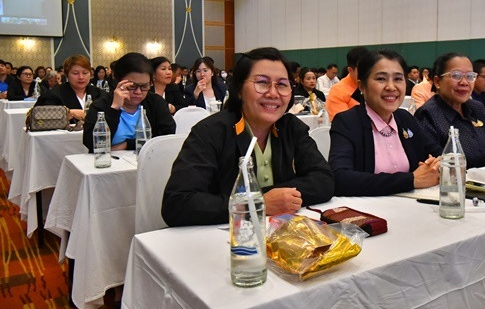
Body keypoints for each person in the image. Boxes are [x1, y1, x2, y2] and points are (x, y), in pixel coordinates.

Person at [162, 47, 334, 226]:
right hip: (227, 237)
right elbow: (177, 203)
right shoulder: (210, 132)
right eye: (262, 82)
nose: (273, 93)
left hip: (282, 233)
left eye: (282, 84)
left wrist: (277, 198)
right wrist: (257, 203)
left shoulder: (291, 127)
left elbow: (324, 180)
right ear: (238, 89)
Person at [330, 49, 440, 196]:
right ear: (362, 86)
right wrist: (411, 180)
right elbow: (340, 178)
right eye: (381, 79)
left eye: (398, 79)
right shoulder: (347, 122)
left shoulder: (405, 119)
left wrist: (435, 164)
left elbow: (438, 153)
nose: (391, 87)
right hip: (369, 207)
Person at [414, 53, 485, 169]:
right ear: (437, 82)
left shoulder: (476, 108)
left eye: (470, 76)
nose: (464, 82)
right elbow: (441, 168)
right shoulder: (427, 115)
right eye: (456, 75)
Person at [83, 52, 175, 152]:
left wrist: (127, 144)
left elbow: (167, 137)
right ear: (118, 81)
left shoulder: (156, 102)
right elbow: (91, 143)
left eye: (144, 86)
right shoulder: (101, 105)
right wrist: (114, 108)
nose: (138, 92)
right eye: (132, 86)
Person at [35, 55, 105, 123]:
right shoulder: (53, 94)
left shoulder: (100, 94)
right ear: (67, 75)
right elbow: (38, 116)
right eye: (75, 73)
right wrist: (68, 113)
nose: (81, 77)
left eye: (85, 73)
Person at [326, 46, 369, 121]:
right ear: (350, 70)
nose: (367, 73)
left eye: (370, 69)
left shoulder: (375, 85)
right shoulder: (338, 91)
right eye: (362, 70)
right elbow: (343, 123)